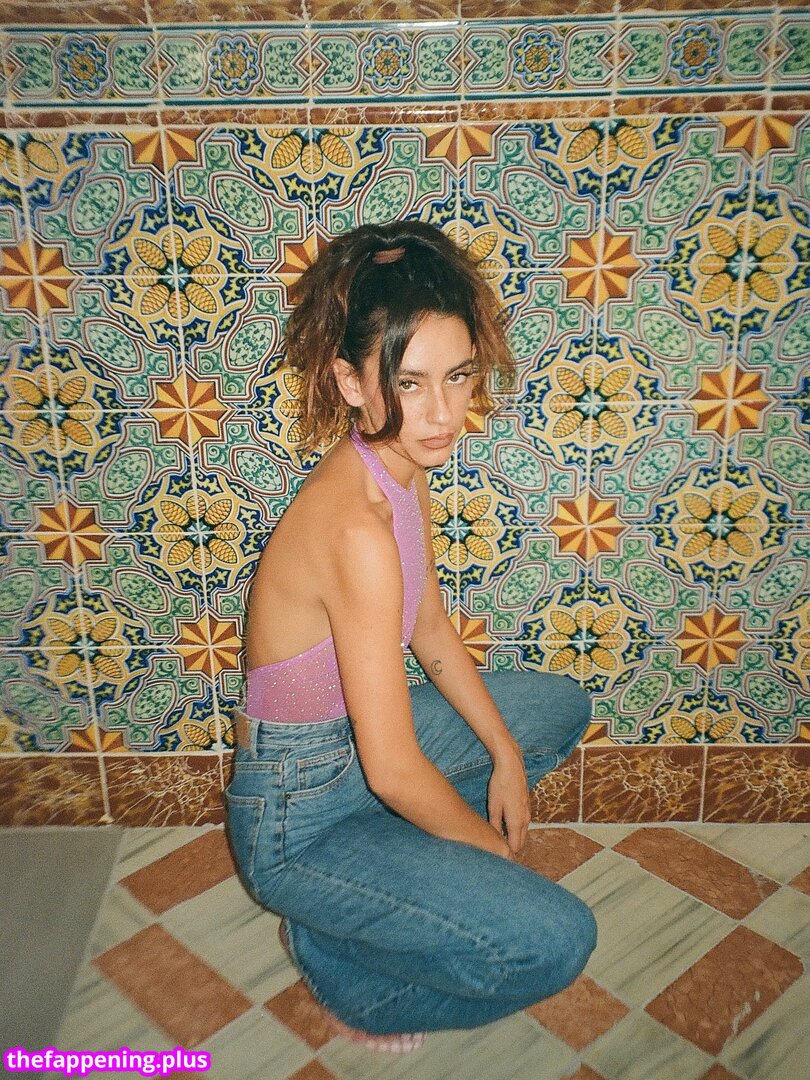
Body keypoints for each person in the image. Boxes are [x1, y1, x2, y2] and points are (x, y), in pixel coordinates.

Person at [225, 219, 597, 1053]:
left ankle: (385, 876)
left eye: (458, 377)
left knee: (555, 709)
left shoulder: (396, 465)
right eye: (410, 382)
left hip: (354, 763)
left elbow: (428, 627)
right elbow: (393, 767)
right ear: (351, 381)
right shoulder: (353, 524)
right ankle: (337, 959)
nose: (442, 414)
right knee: (555, 940)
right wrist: (492, 859)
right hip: (296, 818)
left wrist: (504, 753)